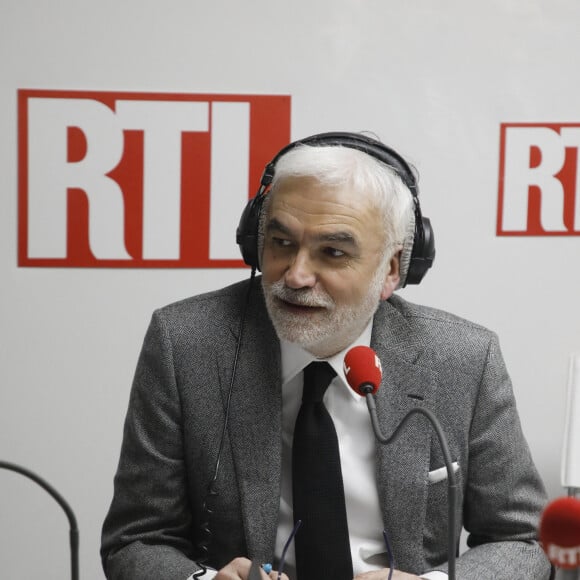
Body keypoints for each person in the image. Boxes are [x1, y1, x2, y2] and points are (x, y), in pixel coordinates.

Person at [101, 132, 552, 580]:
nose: (296, 275)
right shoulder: (187, 343)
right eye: (281, 243)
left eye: (332, 252)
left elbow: (524, 541)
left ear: (392, 270)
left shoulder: (462, 359)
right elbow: (136, 539)